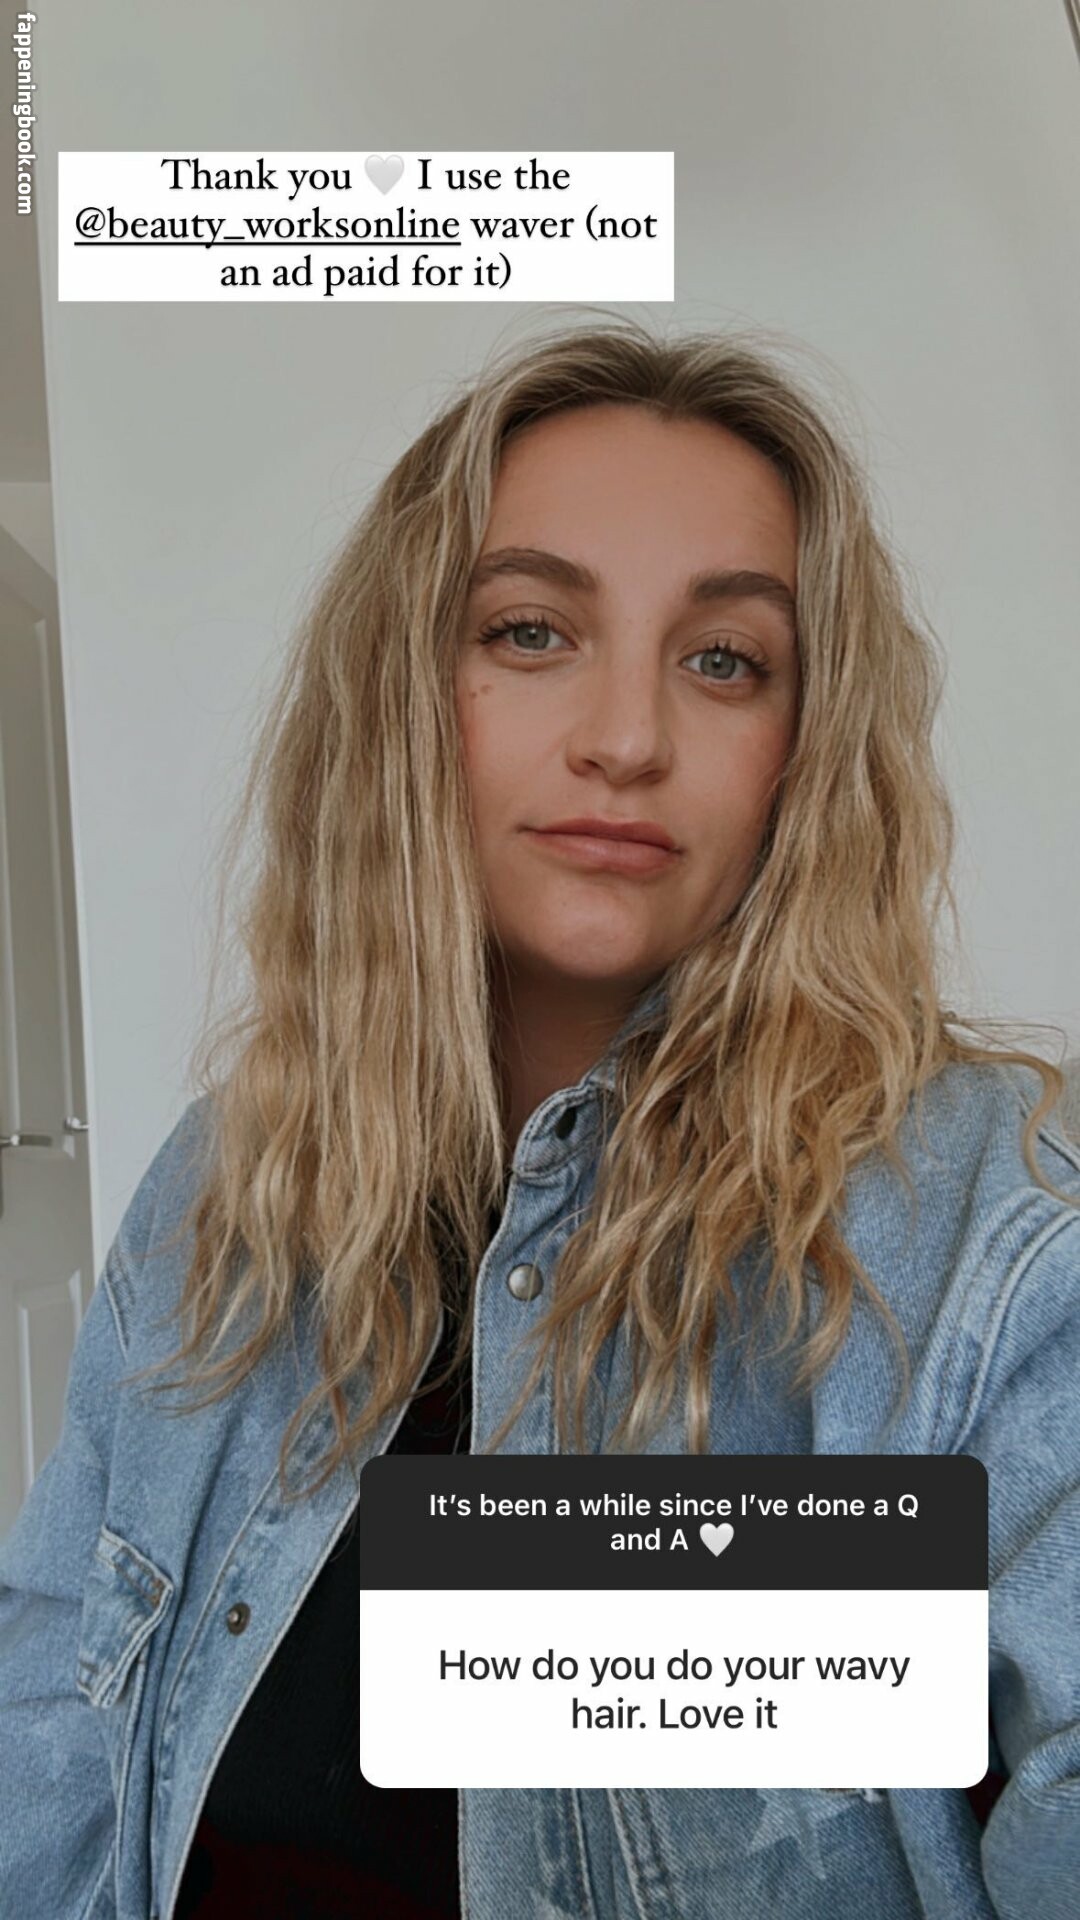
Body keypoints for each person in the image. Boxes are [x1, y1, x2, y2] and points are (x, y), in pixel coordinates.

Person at [1, 315, 1078, 1920]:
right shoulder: (226, 1190)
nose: (627, 739)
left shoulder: (983, 1235)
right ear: (404, 697)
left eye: (725, 660)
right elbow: (52, 1753)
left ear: (803, 748)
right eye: (529, 631)